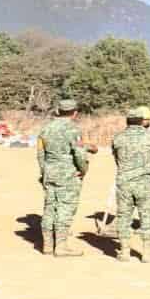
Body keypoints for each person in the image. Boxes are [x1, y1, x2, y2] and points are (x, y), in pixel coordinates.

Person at [34, 97, 92, 257]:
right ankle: (61, 246)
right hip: (68, 174)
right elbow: (79, 154)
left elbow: (40, 154)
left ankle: (47, 245)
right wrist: (83, 169)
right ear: (75, 113)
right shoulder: (73, 130)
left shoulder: (45, 129)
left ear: (58, 111)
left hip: (49, 172)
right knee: (65, 208)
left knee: (49, 207)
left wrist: (44, 172)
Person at [111, 106, 150, 262]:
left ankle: (125, 251)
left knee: (123, 217)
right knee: (147, 216)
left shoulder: (118, 138)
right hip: (144, 182)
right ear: (141, 121)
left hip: (124, 182)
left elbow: (116, 159)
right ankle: (147, 252)